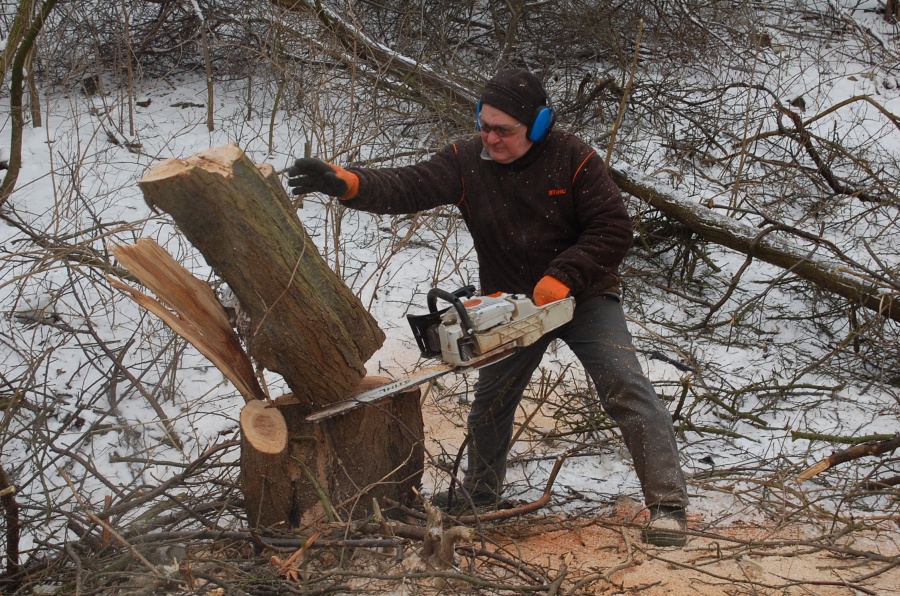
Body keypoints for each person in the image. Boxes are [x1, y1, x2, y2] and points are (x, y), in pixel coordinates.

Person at [286, 69, 690, 547]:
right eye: (485, 126)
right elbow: (409, 185)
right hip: (508, 305)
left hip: (583, 296)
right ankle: (480, 494)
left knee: (625, 385)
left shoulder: (574, 159)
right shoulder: (465, 161)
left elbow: (612, 229)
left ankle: (667, 504)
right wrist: (349, 183)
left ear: (537, 126)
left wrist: (564, 275)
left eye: (504, 130)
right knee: (492, 401)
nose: (491, 138)